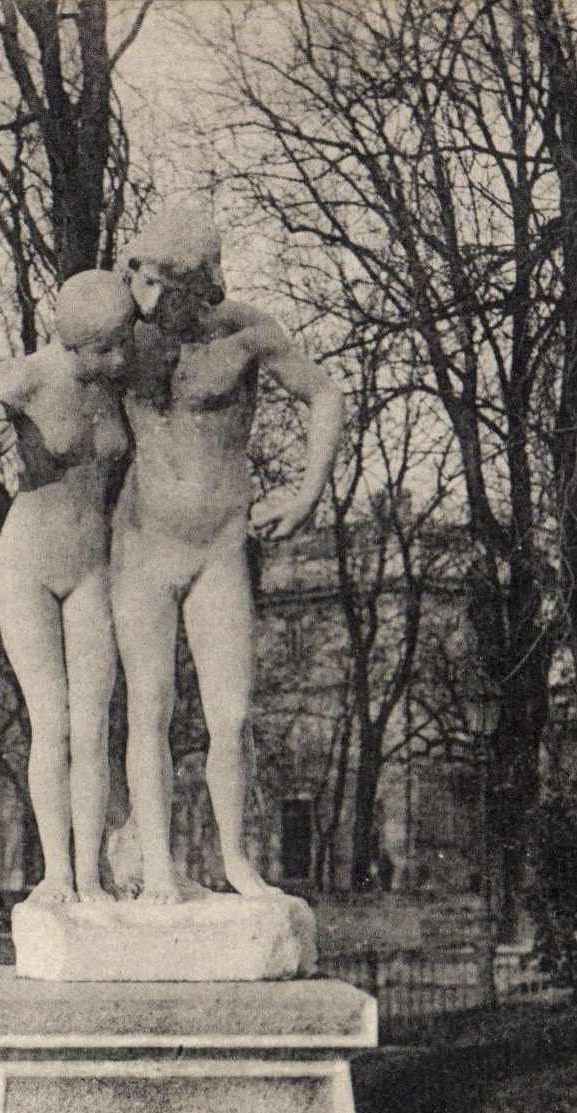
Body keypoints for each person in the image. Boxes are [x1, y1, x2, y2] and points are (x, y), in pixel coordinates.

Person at [110, 210, 345, 903]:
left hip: (218, 544)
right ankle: (156, 868)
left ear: (202, 285)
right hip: (143, 544)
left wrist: (306, 494)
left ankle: (238, 863)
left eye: (166, 288)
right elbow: (46, 378)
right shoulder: (122, 333)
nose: (150, 302)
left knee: (233, 715)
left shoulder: (246, 331)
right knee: (149, 705)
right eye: (141, 282)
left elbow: (325, 392)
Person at [0, 269, 135, 904]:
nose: (119, 356)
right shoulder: (31, 375)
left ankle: (91, 879)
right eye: (107, 347)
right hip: (26, 566)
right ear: (73, 343)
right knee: (52, 724)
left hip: (92, 568)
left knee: (95, 724)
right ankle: (57, 877)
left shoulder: (115, 384)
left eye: (122, 343)